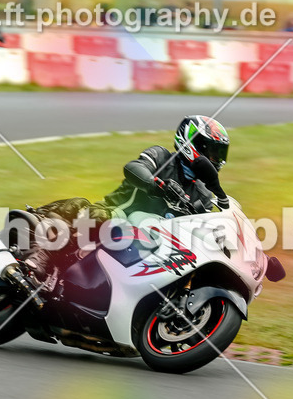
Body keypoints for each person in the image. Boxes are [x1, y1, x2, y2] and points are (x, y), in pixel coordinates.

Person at [25, 116, 232, 282]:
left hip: (153, 244)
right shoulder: (161, 157)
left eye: (220, 152)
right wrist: (156, 185)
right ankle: (42, 257)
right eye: (211, 150)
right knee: (96, 216)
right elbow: (133, 168)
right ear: (191, 143)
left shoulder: (205, 195)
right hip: (118, 215)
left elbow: (204, 229)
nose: (216, 158)